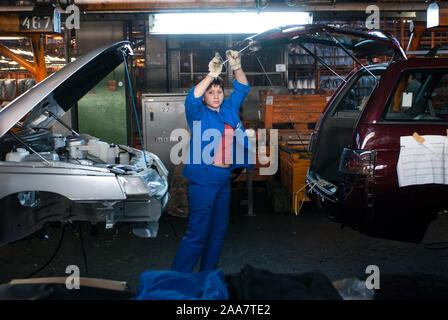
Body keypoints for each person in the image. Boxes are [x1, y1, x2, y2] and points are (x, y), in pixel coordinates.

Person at [171, 50, 254, 273]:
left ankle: (206, 278)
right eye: (211, 92)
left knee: (217, 234)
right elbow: (192, 98)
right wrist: (210, 75)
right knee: (197, 234)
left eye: (219, 91)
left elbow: (243, 88)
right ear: (205, 96)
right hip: (204, 180)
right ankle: (178, 282)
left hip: (223, 179)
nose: (216, 96)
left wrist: (237, 67)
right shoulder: (198, 115)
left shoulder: (228, 108)